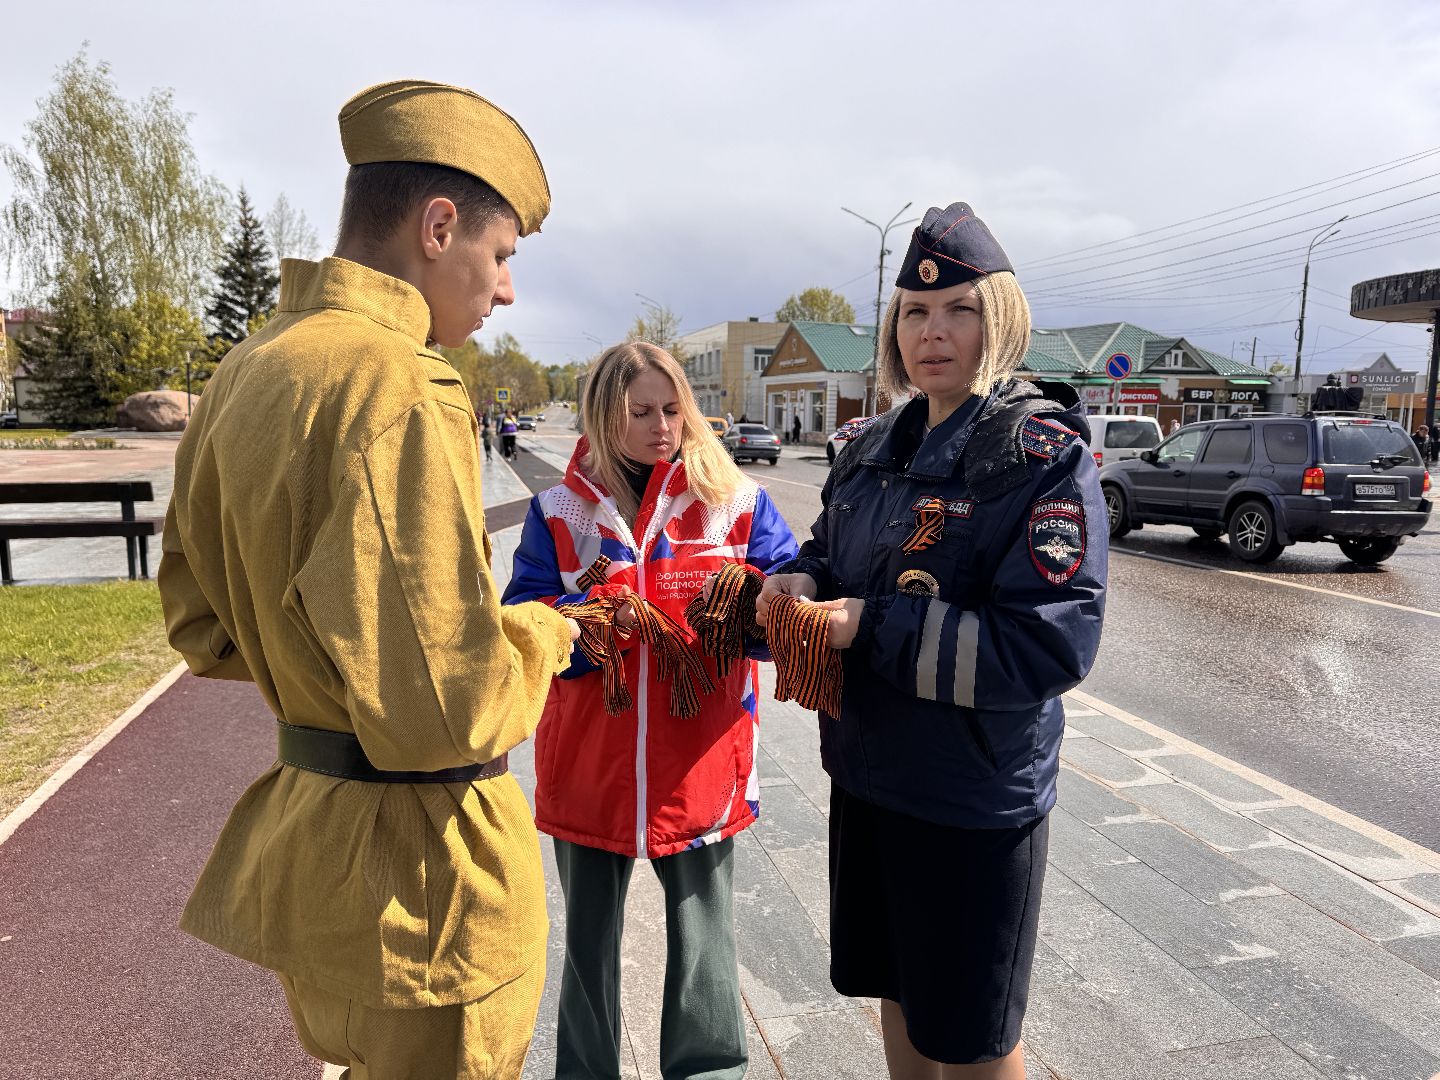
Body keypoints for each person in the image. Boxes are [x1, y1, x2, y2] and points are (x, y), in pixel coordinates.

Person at [159, 80, 580, 1078]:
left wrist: (318, 664)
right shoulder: (399, 381)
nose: (506, 291)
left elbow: (200, 626)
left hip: (315, 855)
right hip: (428, 885)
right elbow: (451, 712)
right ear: (439, 228)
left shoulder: (248, 368)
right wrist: (550, 633)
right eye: (502, 254)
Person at [758, 202, 1107, 1079]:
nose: (933, 332)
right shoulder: (871, 446)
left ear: (1002, 322)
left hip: (972, 799)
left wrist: (866, 625)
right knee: (899, 992)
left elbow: (1047, 645)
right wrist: (804, 579)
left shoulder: (1041, 459)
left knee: (972, 1035)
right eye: (915, 312)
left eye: (960, 309)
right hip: (870, 777)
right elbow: (834, 550)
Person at [503, 341, 799, 1080]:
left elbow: (786, 600)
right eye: (640, 412)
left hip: (701, 766)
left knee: (706, 949)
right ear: (605, 415)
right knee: (586, 949)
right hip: (589, 765)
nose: (661, 427)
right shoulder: (558, 511)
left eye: (672, 409)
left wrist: (752, 614)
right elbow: (523, 621)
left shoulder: (735, 500)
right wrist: (592, 625)